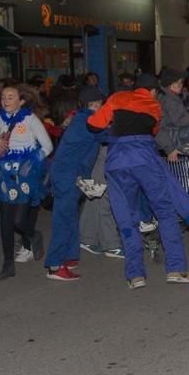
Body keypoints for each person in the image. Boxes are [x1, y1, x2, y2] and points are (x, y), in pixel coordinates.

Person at [87, 72, 189, 288]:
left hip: (117, 161)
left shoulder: (117, 98)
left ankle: (135, 275)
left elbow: (94, 123)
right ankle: (175, 269)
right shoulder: (154, 106)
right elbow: (153, 131)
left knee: (125, 218)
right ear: (153, 90)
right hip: (145, 160)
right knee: (165, 212)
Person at [0, 84, 54, 280]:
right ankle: (8, 264)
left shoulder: (30, 119)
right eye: (3, 97)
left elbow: (47, 146)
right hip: (4, 173)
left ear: (21, 101)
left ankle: (33, 234)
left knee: (18, 220)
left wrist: (32, 163)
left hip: (25, 174)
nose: (5, 101)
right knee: (6, 220)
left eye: (10, 97)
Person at [44, 86, 109, 281]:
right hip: (67, 176)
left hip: (70, 175)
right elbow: (108, 135)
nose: (101, 107)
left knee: (71, 216)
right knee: (63, 219)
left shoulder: (83, 118)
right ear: (94, 105)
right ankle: (55, 265)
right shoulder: (89, 121)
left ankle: (70, 256)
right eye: (99, 104)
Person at [155, 67, 189, 162]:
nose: (182, 85)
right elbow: (181, 121)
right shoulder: (169, 100)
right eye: (180, 82)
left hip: (166, 144)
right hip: (173, 144)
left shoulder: (165, 96)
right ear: (172, 84)